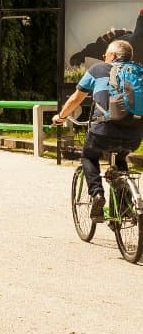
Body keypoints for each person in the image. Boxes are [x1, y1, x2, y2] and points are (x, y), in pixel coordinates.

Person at [53, 39, 143, 219]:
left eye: (106, 54)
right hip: (134, 134)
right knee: (121, 159)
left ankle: (97, 194)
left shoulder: (97, 69)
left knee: (88, 156)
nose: (104, 57)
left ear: (113, 56)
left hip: (103, 131)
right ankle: (124, 208)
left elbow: (75, 100)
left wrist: (60, 117)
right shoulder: (139, 74)